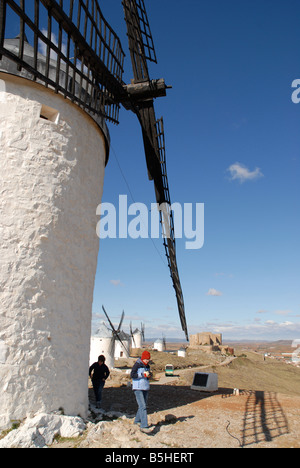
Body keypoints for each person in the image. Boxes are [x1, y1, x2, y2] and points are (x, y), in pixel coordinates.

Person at [131, 350, 152, 433]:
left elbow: (148, 375)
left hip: (145, 387)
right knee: (143, 406)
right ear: (142, 358)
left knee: (142, 405)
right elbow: (132, 375)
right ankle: (144, 426)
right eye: (146, 359)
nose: (147, 361)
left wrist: (149, 375)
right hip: (138, 387)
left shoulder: (148, 366)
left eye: (148, 359)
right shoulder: (137, 365)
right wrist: (142, 375)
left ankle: (137, 421)